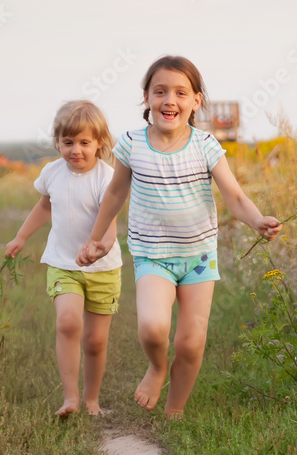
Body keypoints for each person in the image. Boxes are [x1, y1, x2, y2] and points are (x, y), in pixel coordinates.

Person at [76, 56, 281, 417]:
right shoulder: (132, 144)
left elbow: (234, 196)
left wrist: (258, 221)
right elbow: (114, 195)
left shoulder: (206, 146)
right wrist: (97, 239)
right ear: (146, 98)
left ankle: (175, 411)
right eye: (160, 91)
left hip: (198, 257)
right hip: (152, 254)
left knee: (190, 342)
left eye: (180, 92)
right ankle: (156, 368)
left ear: (196, 101)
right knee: (154, 328)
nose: (170, 100)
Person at [5, 101, 122, 417]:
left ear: (99, 142)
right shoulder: (52, 172)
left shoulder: (107, 178)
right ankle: (70, 398)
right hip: (62, 264)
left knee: (95, 341)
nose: (76, 150)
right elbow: (45, 206)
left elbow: (110, 229)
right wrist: (21, 236)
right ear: (57, 141)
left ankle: (91, 399)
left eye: (85, 143)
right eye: (68, 142)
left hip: (103, 269)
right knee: (68, 322)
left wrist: (100, 248)